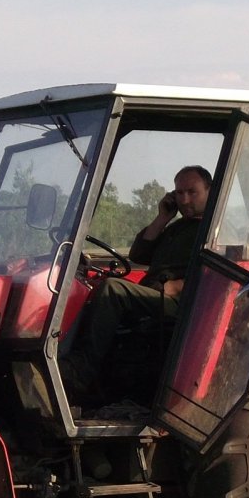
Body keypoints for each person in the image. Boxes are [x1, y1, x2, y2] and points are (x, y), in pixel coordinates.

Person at [60, 165, 211, 407]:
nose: (184, 199)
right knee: (94, 290)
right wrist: (163, 217)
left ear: (210, 192)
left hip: (182, 305)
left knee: (112, 290)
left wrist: (179, 286)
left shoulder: (213, 231)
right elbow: (139, 254)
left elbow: (218, 274)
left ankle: (80, 370)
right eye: (179, 193)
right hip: (155, 295)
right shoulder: (177, 227)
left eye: (192, 192)